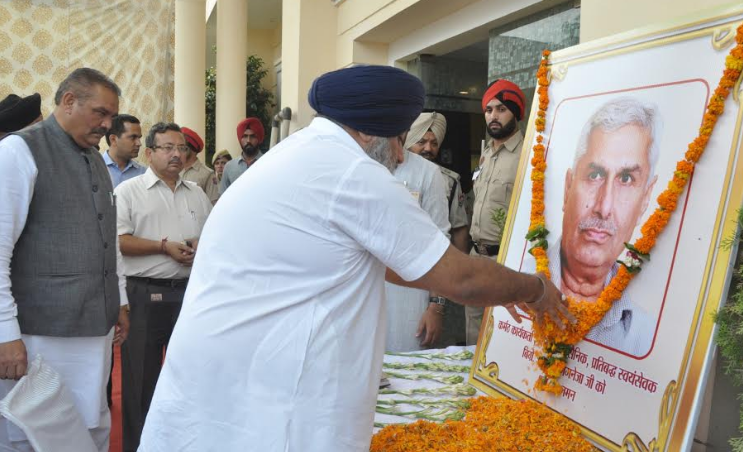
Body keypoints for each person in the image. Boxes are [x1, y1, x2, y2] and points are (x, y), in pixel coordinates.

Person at [138, 65, 573, 452]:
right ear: (368, 132)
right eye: (398, 138)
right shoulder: (351, 173)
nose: (401, 154)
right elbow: (458, 277)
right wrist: (534, 289)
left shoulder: (297, 153)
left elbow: (389, 262)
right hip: (268, 402)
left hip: (228, 384)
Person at [0, 68, 130, 451]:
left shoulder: (93, 158)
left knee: (89, 427)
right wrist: (6, 333)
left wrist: (119, 298)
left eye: (111, 117)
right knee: (35, 433)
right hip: (39, 335)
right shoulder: (18, 152)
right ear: (69, 101)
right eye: (101, 113)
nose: (108, 125)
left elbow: (108, 237)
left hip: (95, 330)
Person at [115, 122, 212, 452]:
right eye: (167, 148)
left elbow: (211, 237)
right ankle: (138, 446)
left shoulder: (197, 194)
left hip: (189, 294)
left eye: (181, 148)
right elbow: (119, 242)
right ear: (150, 152)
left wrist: (200, 244)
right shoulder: (129, 192)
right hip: (144, 294)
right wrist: (162, 246)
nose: (176, 154)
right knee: (141, 381)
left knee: (190, 377)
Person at [550, 97, 660, 356]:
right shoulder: (519, 286)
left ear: (645, 199)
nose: (604, 206)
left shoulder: (644, 337)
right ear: (568, 188)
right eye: (595, 175)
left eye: (625, 178)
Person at [465, 79, 527, 345]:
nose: (493, 116)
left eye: (501, 109)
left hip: (506, 261)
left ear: (516, 113)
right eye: (489, 110)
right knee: (473, 338)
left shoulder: (528, 155)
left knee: (504, 338)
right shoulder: (486, 155)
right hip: (475, 257)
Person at [406, 112, 471, 345]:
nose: (428, 148)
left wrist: (456, 274)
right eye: (421, 141)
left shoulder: (450, 181)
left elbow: (459, 229)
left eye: (433, 143)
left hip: (437, 274)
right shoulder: (391, 173)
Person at [385, 145, 450, 351]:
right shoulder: (357, 166)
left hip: (408, 303)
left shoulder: (427, 173)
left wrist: (436, 307)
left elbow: (439, 243)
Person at [219, 117, 265, 194]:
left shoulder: (267, 163)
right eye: (245, 136)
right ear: (240, 139)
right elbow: (223, 197)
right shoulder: (229, 166)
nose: (248, 141)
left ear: (258, 139)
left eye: (252, 136)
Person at [103, 114, 145, 188]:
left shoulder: (143, 173)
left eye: (139, 138)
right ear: (113, 139)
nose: (139, 143)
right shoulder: (93, 169)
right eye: (133, 137)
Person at [180, 126, 220, 203]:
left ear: (193, 149)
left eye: (183, 147)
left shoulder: (207, 174)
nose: (179, 150)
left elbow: (213, 204)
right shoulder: (175, 170)